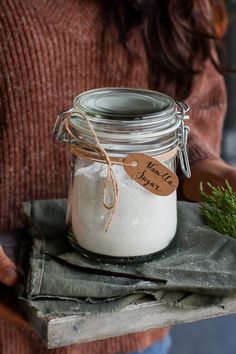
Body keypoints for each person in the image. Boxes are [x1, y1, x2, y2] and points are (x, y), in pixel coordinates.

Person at [0, 0, 235, 353]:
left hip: (139, 332)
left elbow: (194, 110)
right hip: (11, 324)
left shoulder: (183, 6)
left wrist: (215, 175)